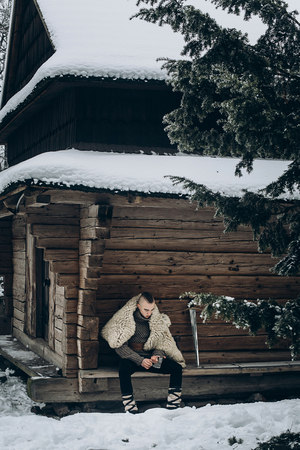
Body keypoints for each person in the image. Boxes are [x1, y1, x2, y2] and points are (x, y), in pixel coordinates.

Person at [101, 292, 186, 414]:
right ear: (138, 306)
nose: (149, 313)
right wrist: (139, 360)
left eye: (151, 310)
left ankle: (173, 403)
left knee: (176, 368)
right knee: (123, 368)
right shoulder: (127, 321)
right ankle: (129, 406)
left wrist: (157, 355)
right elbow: (119, 346)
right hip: (133, 358)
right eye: (146, 309)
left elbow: (160, 342)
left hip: (151, 359)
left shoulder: (156, 321)